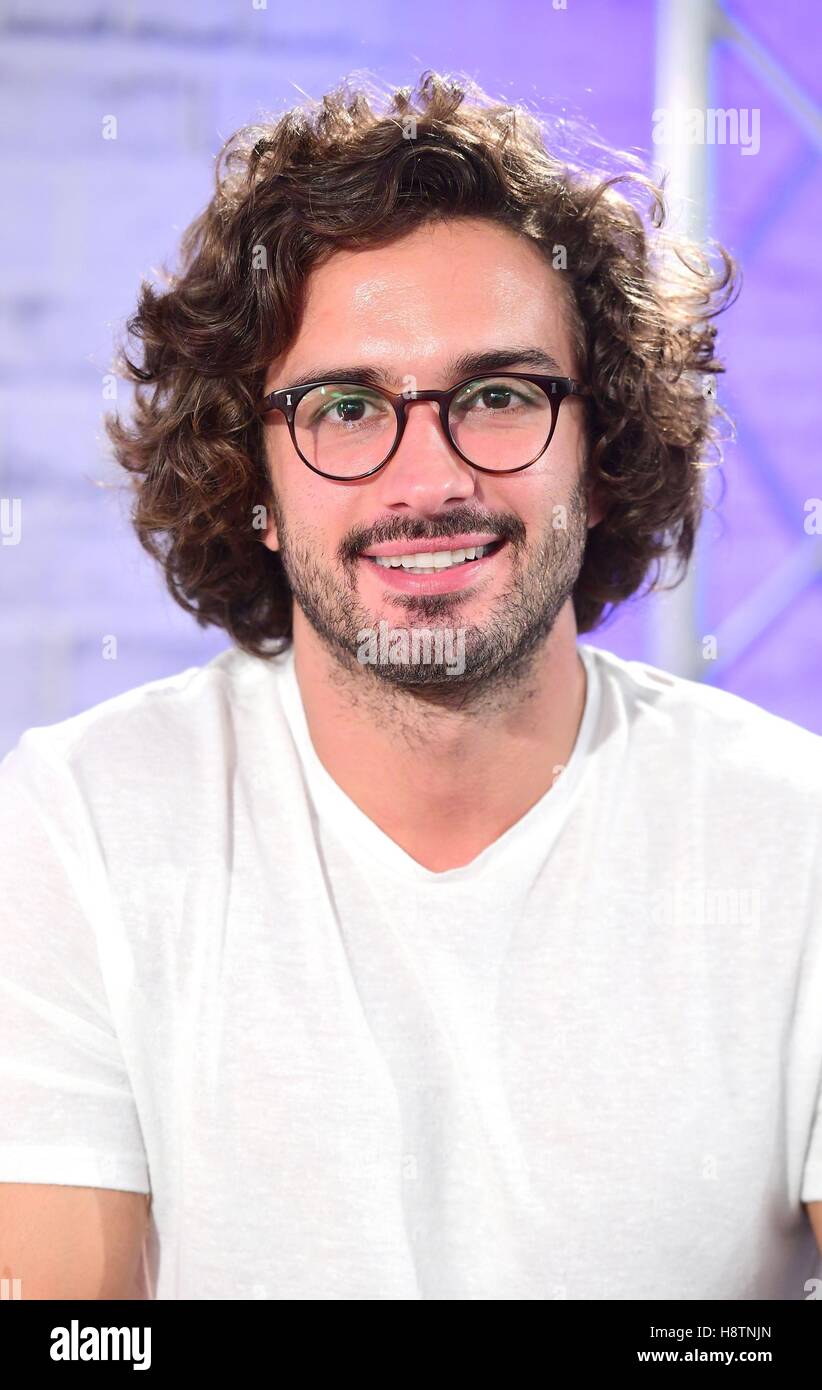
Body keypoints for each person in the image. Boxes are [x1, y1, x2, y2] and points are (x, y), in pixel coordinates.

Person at [1, 69, 820, 1301]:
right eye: (344, 407)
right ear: (256, 485)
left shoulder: (795, 832)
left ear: (599, 460)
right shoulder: (86, 824)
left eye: (498, 395)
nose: (425, 478)